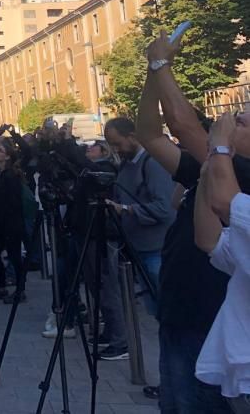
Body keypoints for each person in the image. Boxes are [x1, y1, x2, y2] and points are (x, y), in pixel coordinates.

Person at [138, 30, 245, 411]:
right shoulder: (208, 168)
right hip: (181, 308)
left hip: (211, 318)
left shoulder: (239, 172)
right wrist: (154, 75)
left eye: (242, 122)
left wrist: (161, 62)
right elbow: (150, 134)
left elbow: (183, 125)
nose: (230, 119)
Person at [194, 110, 250, 411]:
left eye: (241, 122)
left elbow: (226, 204)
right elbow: (210, 241)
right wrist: (207, 174)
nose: (229, 122)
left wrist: (219, 147)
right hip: (237, 375)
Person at [104, 116, 176, 317]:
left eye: (117, 143)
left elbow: (165, 208)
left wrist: (126, 209)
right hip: (139, 248)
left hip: (157, 249)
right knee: (155, 308)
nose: (116, 150)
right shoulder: (126, 165)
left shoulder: (153, 164)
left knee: (167, 309)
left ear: (133, 136)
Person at [0, 137, 27, 304]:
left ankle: (20, 290)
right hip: (1, 221)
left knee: (14, 256)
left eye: (0, 151)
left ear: (8, 156)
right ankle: (2, 284)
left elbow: (12, 201)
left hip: (11, 222)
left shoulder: (11, 175)